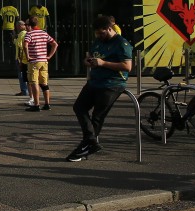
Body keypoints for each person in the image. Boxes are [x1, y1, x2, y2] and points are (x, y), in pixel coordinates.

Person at [67, 16, 134, 162]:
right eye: (97, 33)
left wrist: (103, 63)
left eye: (101, 33)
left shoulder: (121, 43)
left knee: (97, 116)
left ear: (109, 29)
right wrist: (88, 61)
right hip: (95, 81)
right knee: (79, 107)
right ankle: (91, 141)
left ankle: (86, 146)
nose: (99, 36)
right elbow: (91, 56)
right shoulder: (98, 41)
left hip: (112, 83)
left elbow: (127, 66)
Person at [24, 16, 58, 111]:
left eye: (26, 24)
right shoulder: (44, 33)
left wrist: (28, 56)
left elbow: (25, 45)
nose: (25, 26)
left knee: (34, 82)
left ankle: (36, 104)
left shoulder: (29, 34)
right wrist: (49, 56)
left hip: (34, 61)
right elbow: (55, 44)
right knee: (44, 83)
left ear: (29, 25)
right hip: (44, 61)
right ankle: (47, 104)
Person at [13, 21, 33, 106]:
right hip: (24, 58)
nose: (17, 27)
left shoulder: (22, 34)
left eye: (18, 25)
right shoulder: (26, 34)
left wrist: (19, 59)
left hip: (22, 58)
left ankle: (24, 90)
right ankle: (25, 90)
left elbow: (20, 47)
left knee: (22, 75)